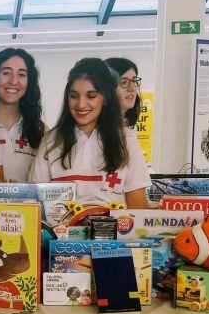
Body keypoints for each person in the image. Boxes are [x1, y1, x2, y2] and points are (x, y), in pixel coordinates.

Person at [28, 58, 150, 209]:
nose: (81, 104)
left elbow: (138, 207)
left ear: (105, 98)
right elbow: (35, 202)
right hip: (61, 231)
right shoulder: (51, 141)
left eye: (91, 96)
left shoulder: (126, 140)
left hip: (114, 232)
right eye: (74, 96)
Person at [0, 48, 44, 182]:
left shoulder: (40, 130)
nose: (13, 81)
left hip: (28, 203)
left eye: (21, 74)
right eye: (6, 73)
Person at [105, 57, 143, 129]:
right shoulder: (91, 131)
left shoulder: (128, 126)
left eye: (134, 81)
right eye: (124, 82)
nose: (132, 88)